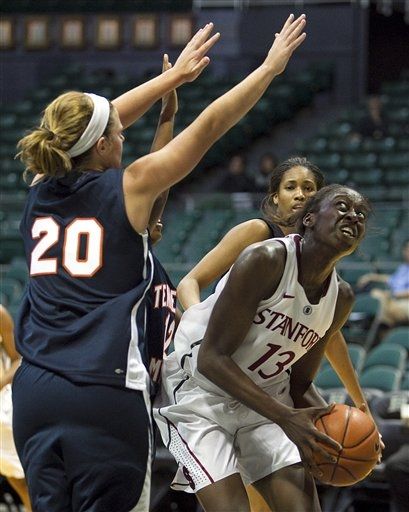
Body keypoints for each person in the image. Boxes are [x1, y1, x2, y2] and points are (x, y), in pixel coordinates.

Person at [12, 15, 308, 512]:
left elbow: (89, 129)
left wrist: (170, 80)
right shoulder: (129, 187)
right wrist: (268, 70)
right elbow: (210, 125)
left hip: (35, 391)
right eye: (118, 134)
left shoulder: (39, 187)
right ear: (102, 146)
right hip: (103, 388)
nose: (124, 136)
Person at [154, 184, 380, 512]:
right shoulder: (266, 259)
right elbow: (212, 360)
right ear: (309, 219)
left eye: (361, 213)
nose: (354, 216)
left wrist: (338, 436)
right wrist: (286, 417)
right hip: (200, 396)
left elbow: (299, 384)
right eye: (343, 206)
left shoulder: (340, 298)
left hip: (264, 403)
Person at [0, 305, 31, 511]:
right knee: (15, 480)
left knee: (24, 480)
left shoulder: (0, 314)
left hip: (3, 408)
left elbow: (18, 360)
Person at [357, 239, 409, 329]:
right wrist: (371, 276)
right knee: (377, 293)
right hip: (393, 300)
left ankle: (378, 326)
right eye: (407, 249)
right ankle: (380, 325)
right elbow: (392, 279)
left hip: (405, 301)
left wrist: (392, 294)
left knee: (387, 308)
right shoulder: (403, 268)